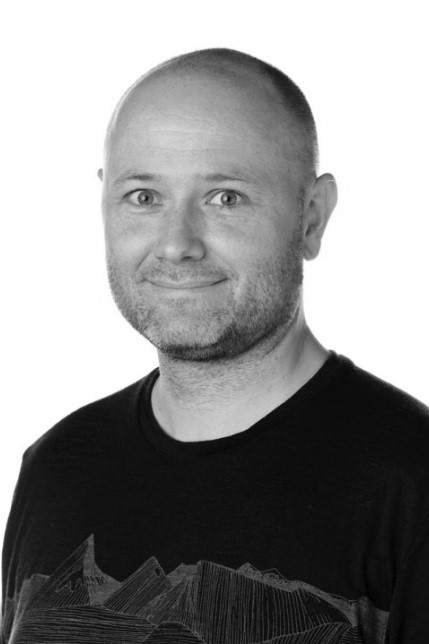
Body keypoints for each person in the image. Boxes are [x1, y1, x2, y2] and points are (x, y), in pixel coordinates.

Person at [1, 47, 428, 644]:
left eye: (225, 197)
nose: (177, 244)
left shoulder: (412, 482)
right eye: (143, 196)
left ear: (311, 218)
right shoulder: (55, 468)